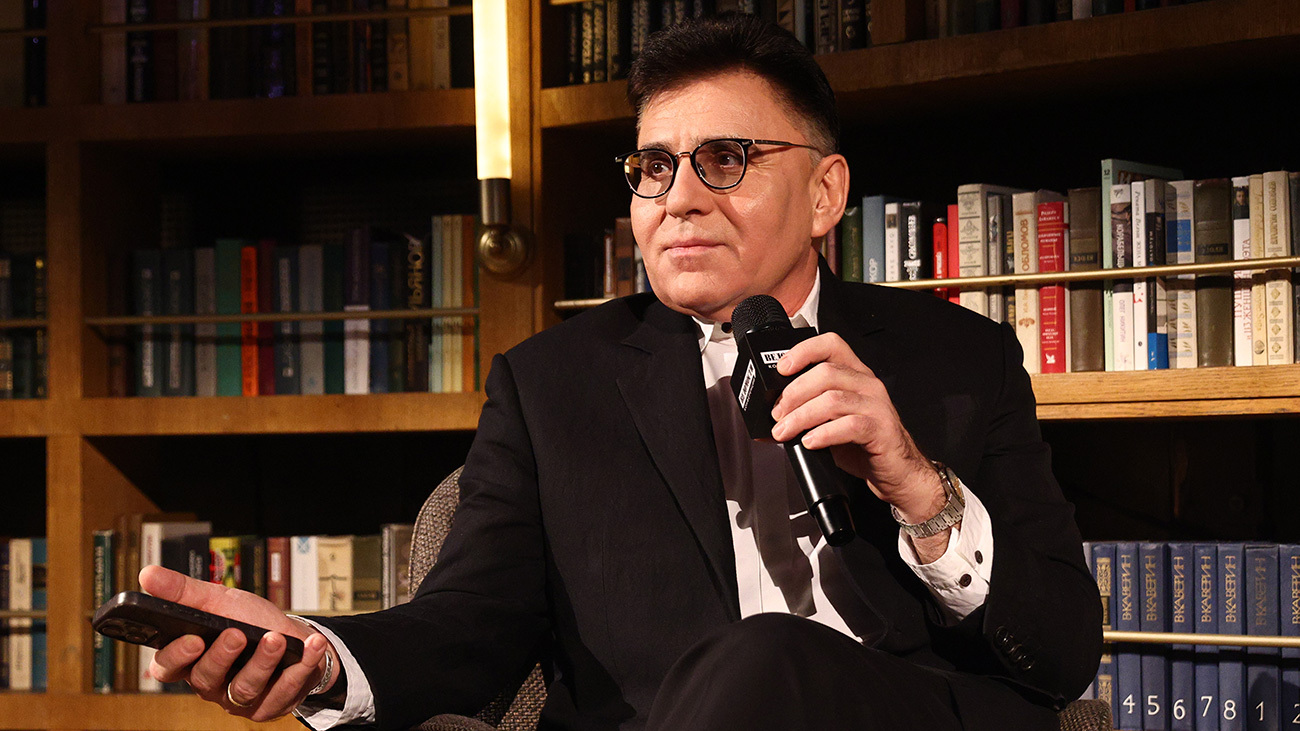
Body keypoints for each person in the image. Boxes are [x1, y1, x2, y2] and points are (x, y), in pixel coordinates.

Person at [142, 14, 1102, 731]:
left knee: (773, 656)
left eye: (725, 159)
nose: (678, 197)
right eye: (652, 166)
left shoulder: (960, 357)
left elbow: (1060, 654)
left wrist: (919, 487)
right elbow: (466, 625)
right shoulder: (553, 385)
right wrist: (316, 654)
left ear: (824, 192)